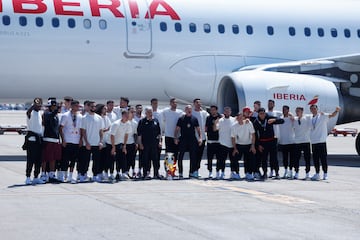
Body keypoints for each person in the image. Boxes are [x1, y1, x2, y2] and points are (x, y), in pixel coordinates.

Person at [309, 104, 341, 181]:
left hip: (321, 141)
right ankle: (317, 173)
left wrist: (336, 110)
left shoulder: (322, 116)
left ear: (317, 109)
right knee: (315, 159)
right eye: (312, 109)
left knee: (323, 158)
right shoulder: (310, 118)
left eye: (314, 109)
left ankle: (325, 174)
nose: (313, 110)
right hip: (314, 141)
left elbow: (332, 115)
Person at [253, 108, 284, 179]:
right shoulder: (256, 121)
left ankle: (276, 173)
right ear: (258, 114)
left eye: (263, 113)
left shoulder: (269, 118)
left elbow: (282, 121)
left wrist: (275, 120)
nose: (262, 115)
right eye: (260, 114)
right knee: (264, 159)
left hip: (272, 141)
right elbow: (255, 135)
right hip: (263, 142)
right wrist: (258, 145)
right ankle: (265, 173)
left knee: (274, 158)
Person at [79, 101, 104, 182]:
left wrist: (100, 141)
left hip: (96, 143)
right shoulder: (84, 118)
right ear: (89, 107)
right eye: (92, 106)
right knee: (85, 160)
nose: (93, 108)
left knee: (96, 161)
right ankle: (83, 175)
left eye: (94, 106)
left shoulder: (99, 118)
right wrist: (86, 142)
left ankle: (95, 175)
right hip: (87, 143)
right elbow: (83, 131)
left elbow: (101, 131)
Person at [174, 105, 202, 178]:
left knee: (193, 157)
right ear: (185, 110)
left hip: (192, 139)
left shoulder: (194, 119)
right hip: (183, 139)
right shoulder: (181, 118)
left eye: (190, 109)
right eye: (187, 109)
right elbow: (177, 129)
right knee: (181, 157)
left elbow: (198, 130)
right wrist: (175, 138)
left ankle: (191, 172)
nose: (189, 110)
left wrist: (200, 138)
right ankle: (180, 173)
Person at [59, 100, 82, 183]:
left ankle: (71, 176)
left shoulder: (80, 116)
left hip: (76, 140)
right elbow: (61, 128)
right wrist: (63, 140)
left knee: (73, 160)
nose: (77, 108)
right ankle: (63, 175)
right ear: (72, 106)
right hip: (68, 140)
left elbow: (81, 129)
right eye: (76, 106)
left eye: (78, 106)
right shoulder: (65, 115)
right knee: (65, 159)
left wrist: (80, 140)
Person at [24, 97, 45, 185]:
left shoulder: (40, 113)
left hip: (39, 139)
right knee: (30, 159)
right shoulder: (31, 113)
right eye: (38, 104)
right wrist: (33, 106)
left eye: (40, 104)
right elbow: (27, 112)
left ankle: (36, 177)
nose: (39, 106)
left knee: (38, 160)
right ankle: (28, 177)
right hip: (32, 140)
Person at [137, 107, 162, 179]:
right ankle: (145, 174)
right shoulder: (142, 121)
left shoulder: (156, 121)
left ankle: (156, 174)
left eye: (151, 112)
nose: (150, 114)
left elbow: (159, 133)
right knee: (146, 159)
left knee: (156, 159)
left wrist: (160, 142)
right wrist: (140, 143)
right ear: (145, 113)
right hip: (145, 144)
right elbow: (139, 134)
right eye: (148, 112)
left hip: (155, 144)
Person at [41, 99, 62, 183]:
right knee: (45, 158)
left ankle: (52, 174)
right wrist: (57, 109)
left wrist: (59, 139)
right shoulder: (46, 114)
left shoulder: (56, 116)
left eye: (55, 106)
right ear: (49, 107)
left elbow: (57, 128)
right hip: (47, 139)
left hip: (55, 140)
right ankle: (43, 174)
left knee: (53, 158)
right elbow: (50, 116)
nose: (55, 107)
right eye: (53, 106)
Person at [231, 111, 256, 180]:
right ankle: (237, 173)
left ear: (244, 118)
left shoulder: (249, 123)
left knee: (250, 160)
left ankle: (249, 173)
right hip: (239, 145)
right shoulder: (234, 126)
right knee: (235, 158)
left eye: (241, 117)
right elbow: (233, 138)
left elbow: (253, 135)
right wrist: (235, 148)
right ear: (236, 118)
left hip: (248, 144)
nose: (240, 119)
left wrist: (253, 146)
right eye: (238, 118)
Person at [214, 107, 236, 179]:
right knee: (221, 160)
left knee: (233, 160)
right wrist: (215, 122)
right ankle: (221, 172)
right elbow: (215, 129)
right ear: (224, 112)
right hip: (222, 143)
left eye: (228, 111)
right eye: (226, 111)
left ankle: (232, 172)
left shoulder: (234, 120)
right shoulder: (220, 120)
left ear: (230, 112)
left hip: (232, 144)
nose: (227, 112)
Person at [110, 110, 131, 180]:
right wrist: (113, 147)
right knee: (115, 159)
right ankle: (115, 173)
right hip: (113, 143)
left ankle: (123, 172)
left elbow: (126, 134)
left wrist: (125, 145)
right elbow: (112, 136)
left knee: (123, 158)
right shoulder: (116, 124)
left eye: (128, 115)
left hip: (121, 143)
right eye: (126, 115)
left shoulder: (128, 123)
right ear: (122, 116)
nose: (127, 117)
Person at [161, 98, 183, 165]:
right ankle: (169, 171)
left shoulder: (180, 112)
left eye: (176, 102)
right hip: (168, 136)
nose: (175, 104)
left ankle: (173, 169)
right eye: (173, 102)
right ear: (170, 103)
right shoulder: (165, 111)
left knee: (176, 154)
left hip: (177, 137)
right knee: (169, 154)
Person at [292, 107, 312, 180]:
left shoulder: (307, 118)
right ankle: (296, 172)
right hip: (297, 141)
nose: (297, 112)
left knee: (307, 158)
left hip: (306, 141)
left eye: (299, 111)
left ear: (302, 111)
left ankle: (307, 173)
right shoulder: (295, 120)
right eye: (296, 111)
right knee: (296, 158)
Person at [192, 98, 209, 176]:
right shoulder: (191, 112)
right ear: (194, 104)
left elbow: (211, 118)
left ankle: (196, 170)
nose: (199, 104)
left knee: (199, 155)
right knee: (194, 155)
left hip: (202, 138)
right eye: (197, 103)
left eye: (199, 103)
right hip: (193, 138)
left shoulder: (204, 113)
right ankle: (193, 170)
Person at [278, 105, 295, 179]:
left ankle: (291, 171)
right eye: (283, 109)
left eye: (285, 109)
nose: (284, 111)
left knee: (291, 158)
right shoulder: (280, 118)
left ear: (288, 110)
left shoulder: (291, 119)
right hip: (283, 141)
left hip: (291, 141)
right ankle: (285, 170)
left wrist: (292, 117)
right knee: (285, 158)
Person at [95, 104, 111, 181]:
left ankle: (103, 173)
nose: (106, 110)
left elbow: (109, 127)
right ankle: (98, 173)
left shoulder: (107, 118)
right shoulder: (98, 118)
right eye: (104, 108)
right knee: (98, 158)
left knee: (105, 159)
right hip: (99, 141)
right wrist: (105, 130)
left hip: (106, 141)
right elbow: (99, 130)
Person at [205, 105, 221, 178]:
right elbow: (206, 128)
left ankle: (218, 171)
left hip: (219, 141)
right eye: (211, 110)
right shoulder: (208, 118)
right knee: (209, 158)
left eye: (214, 110)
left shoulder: (220, 117)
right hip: (210, 141)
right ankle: (210, 171)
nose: (212, 111)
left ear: (216, 110)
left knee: (219, 158)